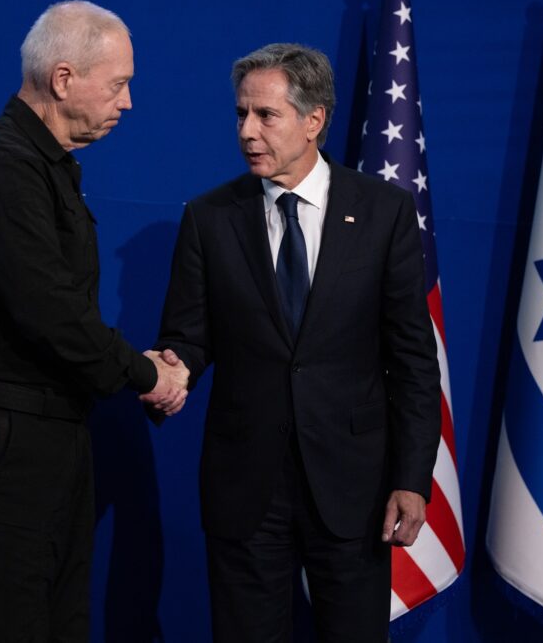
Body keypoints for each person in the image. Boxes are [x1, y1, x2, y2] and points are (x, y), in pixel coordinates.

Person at [154, 43, 441, 642]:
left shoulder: (384, 212)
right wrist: (175, 369)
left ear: (314, 121)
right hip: (246, 484)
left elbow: (413, 359)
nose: (247, 132)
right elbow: (188, 333)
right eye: (240, 115)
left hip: (352, 487)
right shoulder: (209, 218)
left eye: (265, 115)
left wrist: (413, 478)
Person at [0, 0, 188, 642]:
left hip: (53, 443)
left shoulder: (45, 169)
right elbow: (50, 311)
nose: (127, 102)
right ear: (64, 79)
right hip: (1, 453)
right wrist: (145, 374)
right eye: (119, 82)